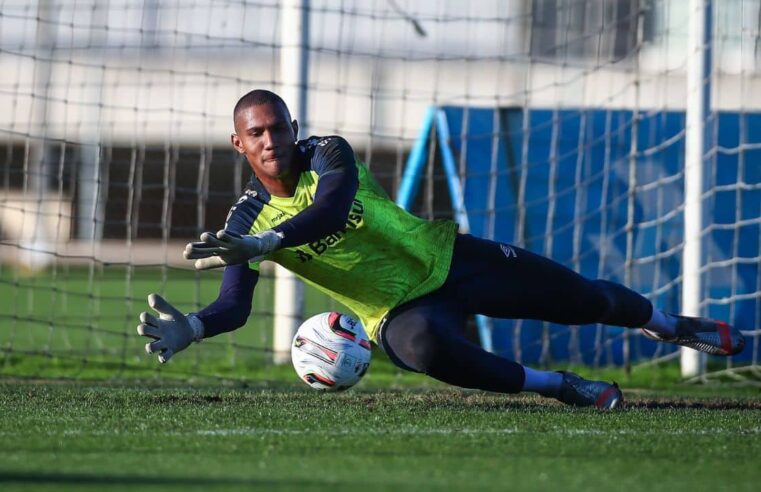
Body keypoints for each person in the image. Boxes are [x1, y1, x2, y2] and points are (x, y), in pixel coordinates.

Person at [137, 89, 745, 410]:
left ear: (295, 128)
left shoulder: (329, 154)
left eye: (280, 127)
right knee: (426, 350)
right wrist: (194, 325)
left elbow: (327, 208)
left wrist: (269, 242)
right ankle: (558, 385)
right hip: (397, 313)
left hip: (450, 259)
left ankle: (670, 325)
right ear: (237, 142)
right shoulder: (243, 218)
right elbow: (236, 306)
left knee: (582, 299)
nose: (272, 139)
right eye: (258, 132)